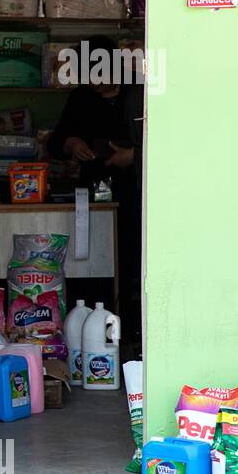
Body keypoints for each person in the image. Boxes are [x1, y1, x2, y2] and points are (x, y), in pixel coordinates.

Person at [45, 36, 143, 344]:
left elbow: (173, 141)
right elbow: (55, 142)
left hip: (137, 194)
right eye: (88, 77)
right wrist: (71, 144)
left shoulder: (141, 91)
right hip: (94, 197)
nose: (94, 83)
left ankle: (133, 332)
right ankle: (92, 329)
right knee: (95, 261)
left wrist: (134, 156)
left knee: (134, 261)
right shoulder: (82, 99)